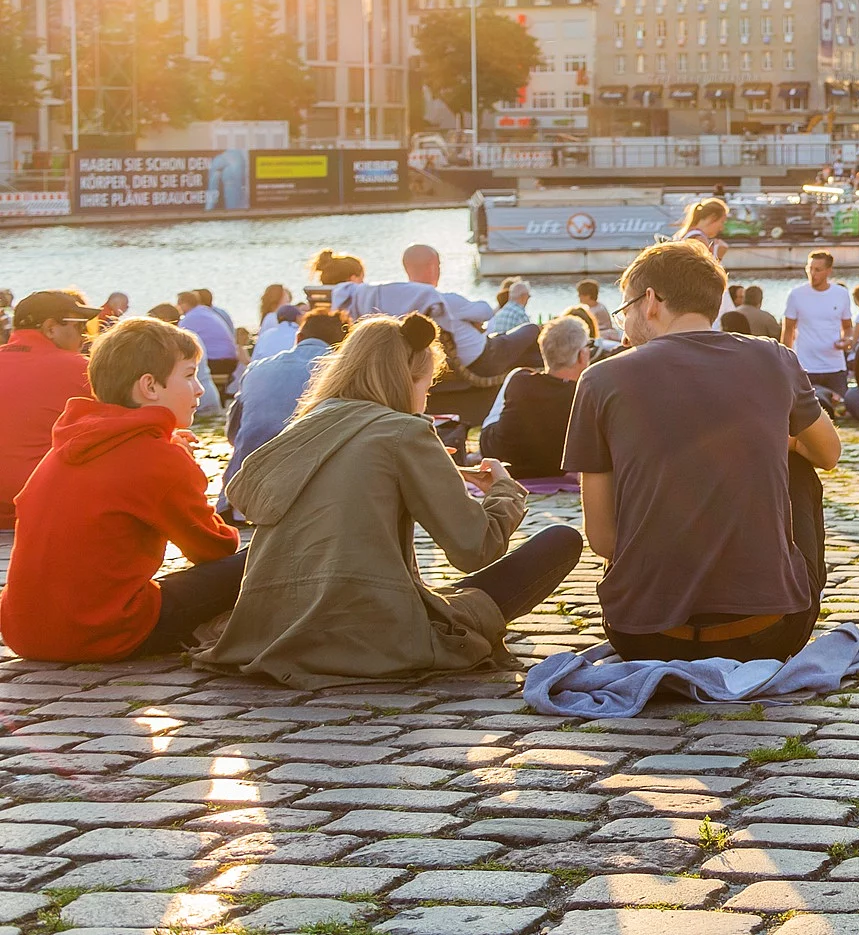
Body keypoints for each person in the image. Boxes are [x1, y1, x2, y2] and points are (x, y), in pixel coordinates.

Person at [198, 314, 584, 688]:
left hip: (271, 627)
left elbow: (249, 497)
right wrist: (504, 491)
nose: (426, 397)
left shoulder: (308, 425)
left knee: (441, 595)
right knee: (560, 541)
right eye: (427, 385)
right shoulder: (406, 431)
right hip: (370, 633)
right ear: (406, 380)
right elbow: (475, 549)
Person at [567, 241, 840, 661]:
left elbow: (603, 539)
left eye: (626, 310)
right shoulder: (775, 358)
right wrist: (770, 436)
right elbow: (828, 453)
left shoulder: (601, 379)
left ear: (652, 301)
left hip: (645, 637)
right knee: (798, 466)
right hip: (767, 634)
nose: (624, 325)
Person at [0, 316, 243, 661]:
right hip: (101, 634)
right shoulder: (158, 457)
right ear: (150, 387)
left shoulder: (71, 443)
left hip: (24, 634)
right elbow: (214, 548)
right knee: (260, 556)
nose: (199, 389)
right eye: (189, 375)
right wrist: (184, 466)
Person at [321, 246, 541, 379]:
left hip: (438, 370)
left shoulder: (390, 304)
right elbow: (485, 312)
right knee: (531, 330)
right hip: (482, 360)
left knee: (527, 351)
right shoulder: (440, 301)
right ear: (434, 266)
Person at [221, 307, 350, 517]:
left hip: (239, 493)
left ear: (298, 337)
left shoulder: (257, 368)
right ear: (343, 346)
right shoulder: (339, 372)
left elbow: (233, 433)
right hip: (305, 498)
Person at [0, 290, 100, 528]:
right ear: (51, 328)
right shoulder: (82, 371)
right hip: (42, 512)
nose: (85, 335)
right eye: (80, 326)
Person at [480, 316, 591, 478]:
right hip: (554, 467)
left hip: (503, 460)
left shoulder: (520, 380)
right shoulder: (585, 394)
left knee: (514, 379)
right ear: (582, 355)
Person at [780, 250, 859, 397]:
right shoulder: (796, 294)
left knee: (840, 411)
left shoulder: (841, 294)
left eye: (817, 270)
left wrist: (847, 341)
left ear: (829, 271)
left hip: (835, 367)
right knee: (806, 413)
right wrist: (786, 361)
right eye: (809, 268)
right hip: (806, 367)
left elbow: (848, 327)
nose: (812, 273)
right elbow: (788, 330)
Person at [177, 291, 239, 395]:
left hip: (218, 363)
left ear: (183, 304)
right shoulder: (208, 312)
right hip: (231, 361)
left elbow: (178, 343)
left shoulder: (189, 319)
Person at [675, 197, 730, 261]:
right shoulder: (699, 239)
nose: (721, 228)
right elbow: (703, 269)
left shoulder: (688, 233)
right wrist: (718, 256)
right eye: (722, 222)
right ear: (713, 217)